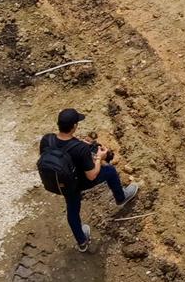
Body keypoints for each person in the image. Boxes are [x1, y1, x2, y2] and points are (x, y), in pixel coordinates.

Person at [37, 108, 139, 252]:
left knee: (72, 210)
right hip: (78, 182)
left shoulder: (47, 139)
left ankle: (82, 241)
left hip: (60, 183)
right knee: (109, 171)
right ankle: (121, 197)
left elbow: (53, 153)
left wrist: (78, 144)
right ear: (74, 126)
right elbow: (92, 175)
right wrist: (99, 158)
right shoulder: (80, 149)